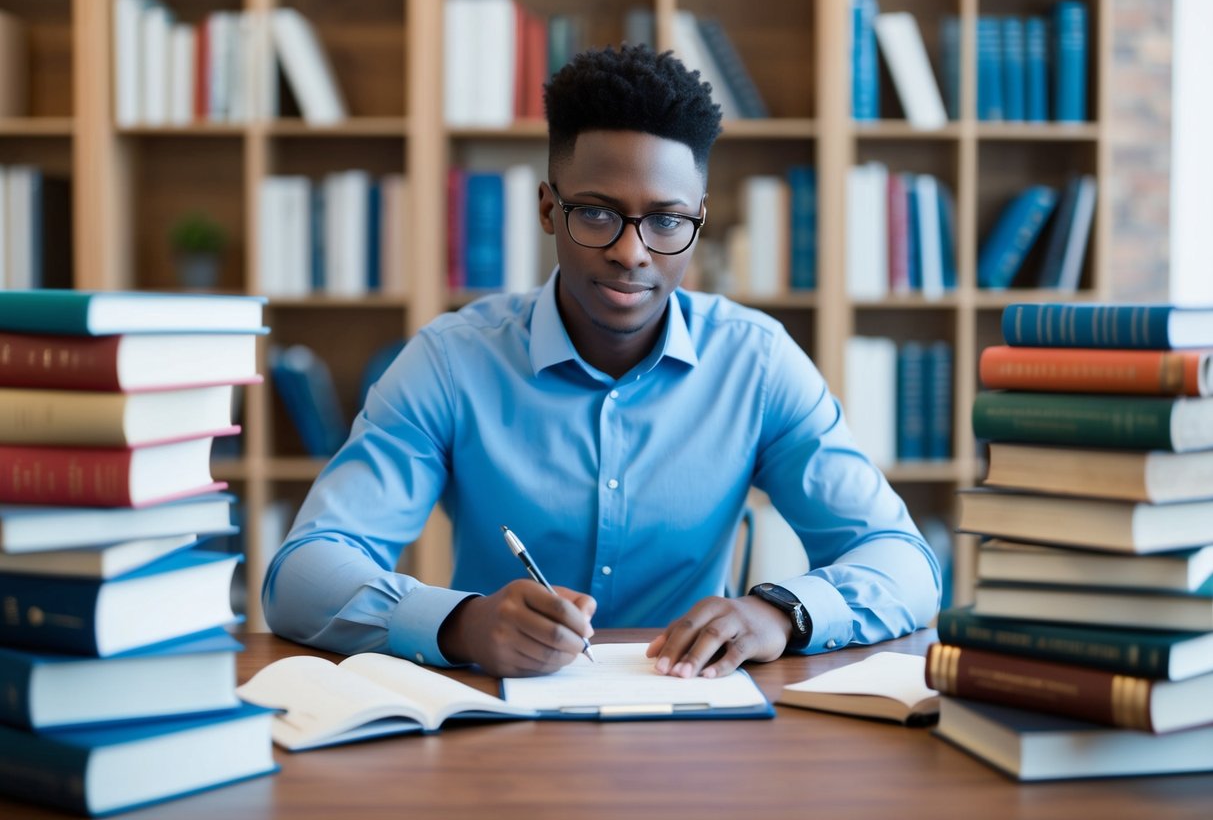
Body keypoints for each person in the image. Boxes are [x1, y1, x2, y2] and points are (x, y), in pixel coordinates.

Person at [262, 44, 940, 679]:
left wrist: (782, 614)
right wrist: (463, 625)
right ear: (547, 209)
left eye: (666, 220)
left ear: (698, 220)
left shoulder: (755, 364)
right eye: (596, 213)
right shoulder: (450, 362)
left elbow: (904, 562)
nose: (631, 252)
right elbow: (300, 575)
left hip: (692, 710)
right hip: (497, 716)